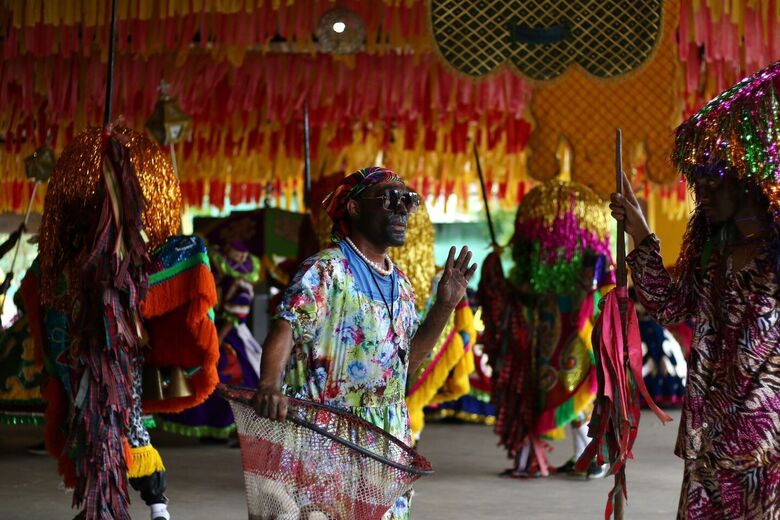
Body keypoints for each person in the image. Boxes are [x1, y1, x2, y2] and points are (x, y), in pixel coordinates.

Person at [252, 166, 476, 519]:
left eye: (408, 201)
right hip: (326, 438)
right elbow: (286, 327)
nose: (402, 209)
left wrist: (445, 304)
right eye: (389, 199)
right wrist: (268, 385)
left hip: (385, 443)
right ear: (354, 208)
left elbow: (403, 369)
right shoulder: (327, 269)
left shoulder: (402, 285)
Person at [610, 61, 780, 518]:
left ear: (750, 180)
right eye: (696, 176)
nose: (700, 187)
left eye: (712, 175)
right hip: (711, 438)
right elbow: (667, 305)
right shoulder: (713, 255)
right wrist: (640, 232)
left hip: (769, 450)